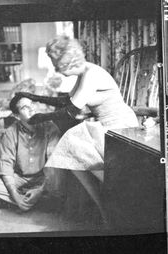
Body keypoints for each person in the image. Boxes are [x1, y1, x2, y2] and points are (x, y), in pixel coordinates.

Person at [13, 35, 139, 222]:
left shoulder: (91, 74)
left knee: (71, 140)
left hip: (121, 127)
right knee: (70, 147)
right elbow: (65, 101)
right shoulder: (83, 74)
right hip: (104, 127)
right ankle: (104, 203)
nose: (55, 69)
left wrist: (40, 117)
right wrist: (34, 97)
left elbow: (70, 111)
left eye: (56, 64)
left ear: (67, 63)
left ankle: (112, 196)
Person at [0, 97, 60, 211]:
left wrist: (40, 190)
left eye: (32, 104)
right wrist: (15, 195)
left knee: (61, 181)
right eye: (25, 107)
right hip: (20, 178)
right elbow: (6, 165)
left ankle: (25, 199)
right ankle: (29, 201)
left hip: (44, 177)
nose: (31, 109)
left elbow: (54, 164)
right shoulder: (10, 132)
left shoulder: (50, 127)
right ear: (17, 116)